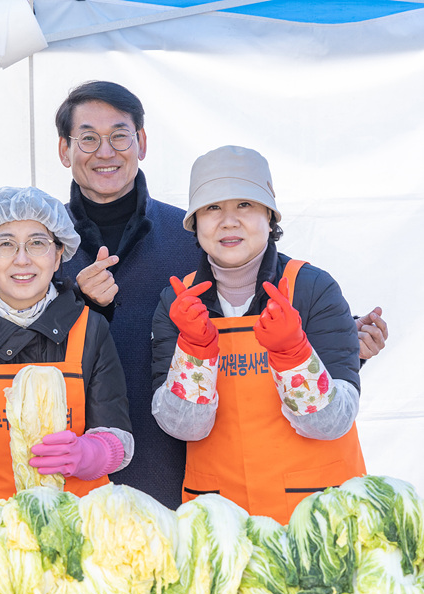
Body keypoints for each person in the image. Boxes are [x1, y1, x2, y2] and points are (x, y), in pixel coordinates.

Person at [55, 80, 386, 509]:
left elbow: (275, 309)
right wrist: (76, 306)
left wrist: (339, 342)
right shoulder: (40, 248)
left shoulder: (189, 238)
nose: (105, 151)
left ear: (141, 142)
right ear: (64, 150)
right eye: (87, 138)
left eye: (119, 135)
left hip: (183, 475)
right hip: (78, 464)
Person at [150, 146, 366, 524]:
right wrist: (195, 352)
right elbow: (185, 428)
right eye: (212, 208)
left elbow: (333, 423)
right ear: (195, 222)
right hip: (221, 526)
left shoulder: (314, 289)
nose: (229, 221)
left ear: (270, 216)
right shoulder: (177, 301)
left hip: (315, 519)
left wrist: (293, 353)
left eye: (245, 205)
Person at [0, 186, 133, 499]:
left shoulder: (90, 329)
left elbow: (118, 438)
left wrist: (88, 454)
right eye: (5, 245)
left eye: (37, 244)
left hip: (72, 528)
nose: (22, 259)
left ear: (58, 256)